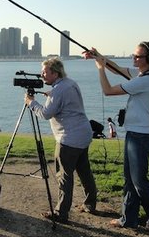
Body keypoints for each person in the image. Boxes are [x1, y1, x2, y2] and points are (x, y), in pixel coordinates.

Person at [83, 42, 149, 231]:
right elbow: (117, 68)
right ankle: (128, 218)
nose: (134, 58)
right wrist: (98, 56)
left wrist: (100, 69)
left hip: (142, 136)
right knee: (129, 179)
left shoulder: (146, 80)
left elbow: (108, 91)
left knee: (139, 180)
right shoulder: (140, 74)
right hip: (134, 133)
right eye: (133, 55)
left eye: (138, 56)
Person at [24, 57, 97, 224]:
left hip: (69, 138)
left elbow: (44, 114)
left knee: (64, 176)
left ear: (55, 73)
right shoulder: (69, 83)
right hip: (83, 134)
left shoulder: (58, 90)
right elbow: (66, 100)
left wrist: (31, 102)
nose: (41, 75)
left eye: (44, 72)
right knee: (84, 171)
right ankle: (90, 203)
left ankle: (61, 213)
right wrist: (51, 95)